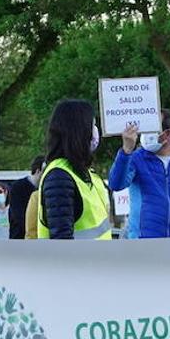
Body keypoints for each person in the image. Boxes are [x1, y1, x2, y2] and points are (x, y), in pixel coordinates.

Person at [108, 109, 170, 238]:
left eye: (151, 129)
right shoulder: (136, 158)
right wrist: (126, 151)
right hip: (143, 243)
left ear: (167, 134)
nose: (145, 134)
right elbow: (116, 184)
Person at [37, 100, 112, 240]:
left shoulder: (85, 172)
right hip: (79, 261)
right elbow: (62, 241)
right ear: (79, 131)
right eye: (92, 125)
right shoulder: (59, 178)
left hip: (96, 260)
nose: (95, 131)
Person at [7, 156, 43, 239]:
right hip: (19, 237)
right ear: (38, 171)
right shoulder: (17, 187)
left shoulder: (44, 188)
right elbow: (18, 215)